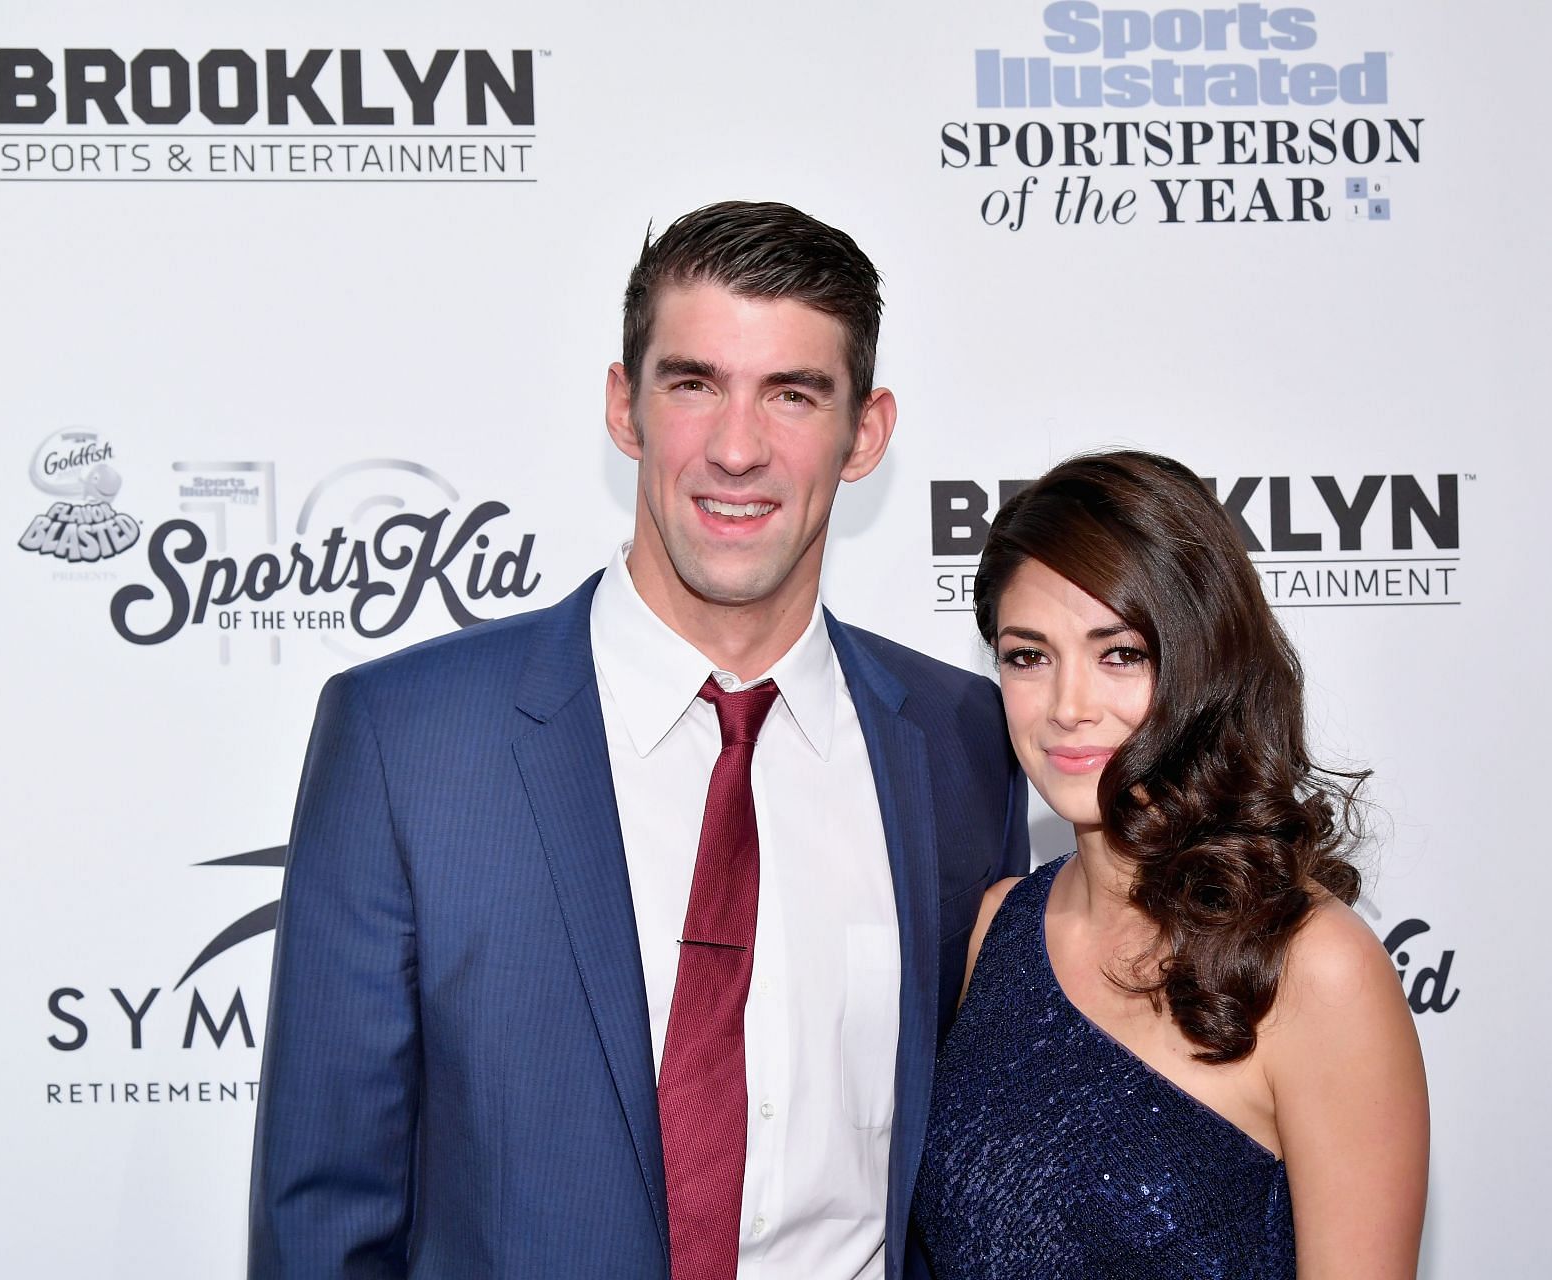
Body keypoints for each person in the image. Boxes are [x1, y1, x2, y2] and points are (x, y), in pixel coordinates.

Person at [248, 201, 1029, 1280]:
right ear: (626, 407)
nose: (738, 447)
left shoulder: (964, 744)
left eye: (793, 395)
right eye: (693, 383)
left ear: (867, 433)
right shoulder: (408, 739)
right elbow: (325, 1210)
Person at [912, 451, 1428, 1279]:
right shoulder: (995, 930)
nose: (1068, 706)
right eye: (1027, 656)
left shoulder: (1312, 967)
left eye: (1119, 653)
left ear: (1202, 661)